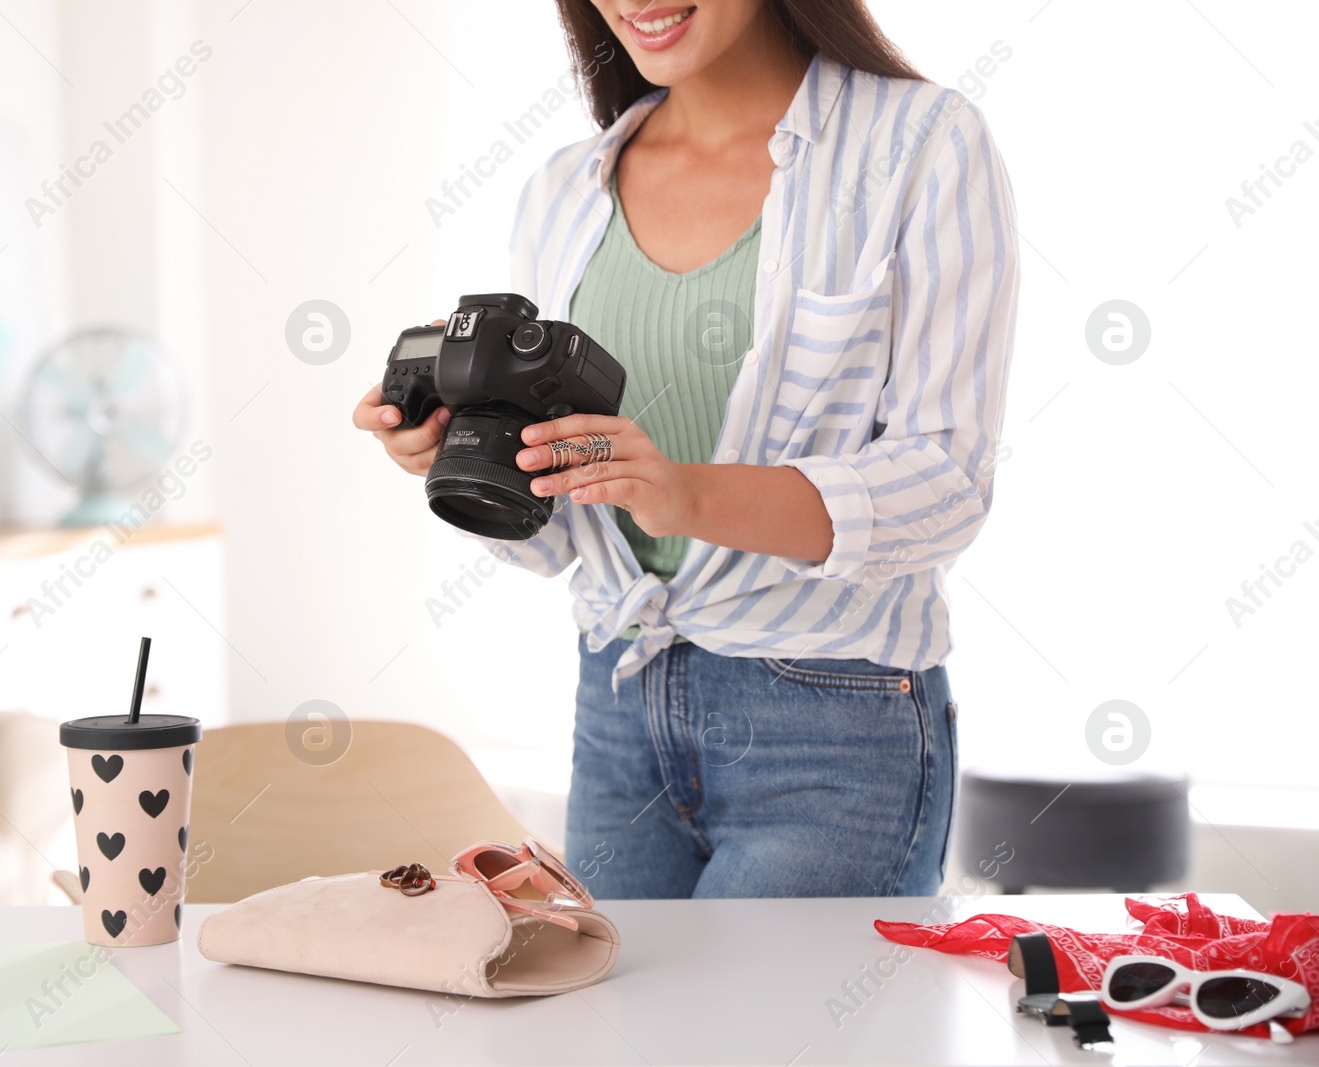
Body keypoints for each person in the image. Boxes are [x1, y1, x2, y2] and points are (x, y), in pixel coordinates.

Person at [353, 0, 1019, 899]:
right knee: (619, 1038)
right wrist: (452, 457)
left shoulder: (923, 144)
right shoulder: (563, 191)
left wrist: (685, 493)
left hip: (832, 725)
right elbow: (557, 543)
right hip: (618, 710)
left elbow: (943, 484)